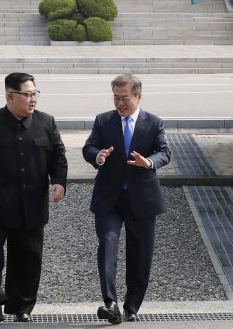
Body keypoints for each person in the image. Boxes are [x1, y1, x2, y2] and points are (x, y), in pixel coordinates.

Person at [0, 72, 68, 323]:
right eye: (27, 94)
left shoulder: (46, 122)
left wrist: (59, 182)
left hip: (31, 204)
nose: (32, 99)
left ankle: (21, 307)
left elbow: (58, 156)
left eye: (35, 93)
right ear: (10, 96)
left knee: (28, 256)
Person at [82, 74, 171, 324]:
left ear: (138, 97)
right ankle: (110, 303)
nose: (120, 104)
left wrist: (149, 162)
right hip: (109, 198)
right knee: (107, 244)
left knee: (140, 255)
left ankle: (131, 306)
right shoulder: (103, 121)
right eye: (116, 98)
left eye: (125, 99)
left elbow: (165, 152)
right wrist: (98, 156)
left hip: (142, 198)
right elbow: (89, 147)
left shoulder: (153, 123)